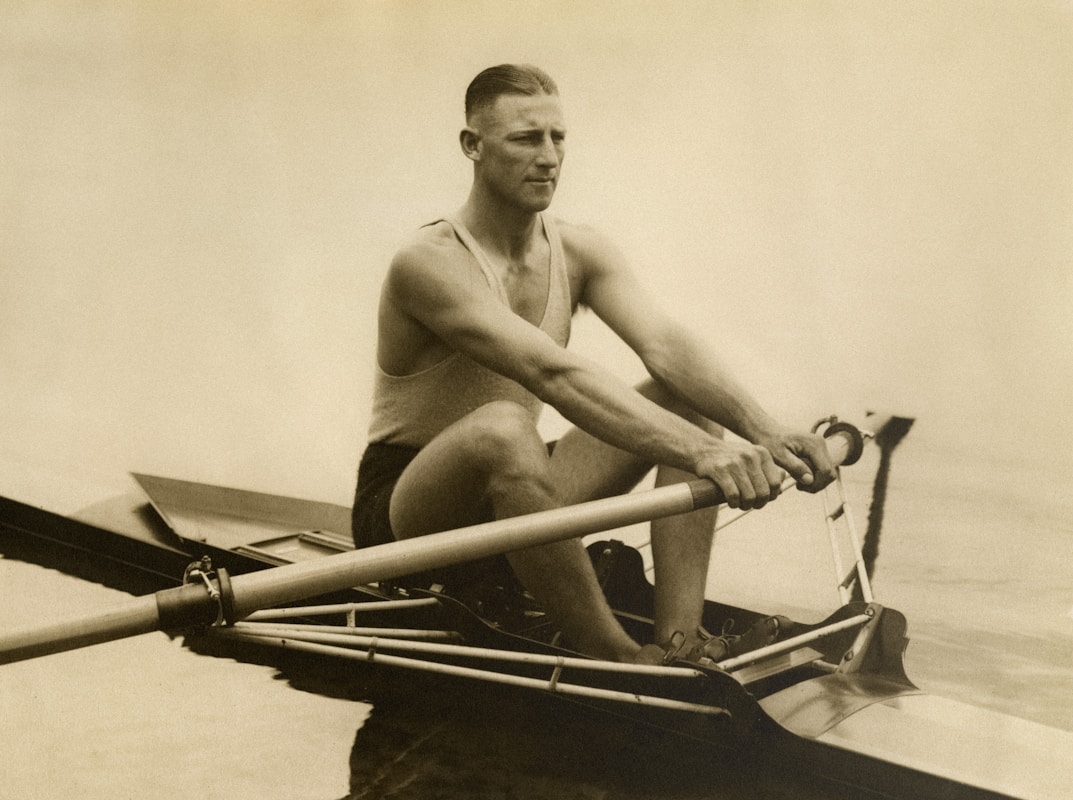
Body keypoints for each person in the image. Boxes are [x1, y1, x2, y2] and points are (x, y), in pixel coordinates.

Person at [352, 64, 836, 665]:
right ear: (472, 146)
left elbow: (665, 347)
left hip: (517, 485)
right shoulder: (426, 264)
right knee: (505, 427)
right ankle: (614, 655)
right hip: (408, 512)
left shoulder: (581, 250)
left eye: (558, 138)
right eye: (526, 139)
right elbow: (551, 376)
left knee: (685, 399)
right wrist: (705, 455)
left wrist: (764, 432)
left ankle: (681, 644)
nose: (549, 157)